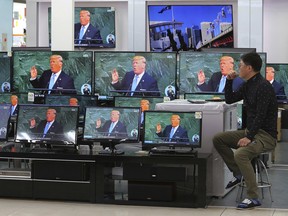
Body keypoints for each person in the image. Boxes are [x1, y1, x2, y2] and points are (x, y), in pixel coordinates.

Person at [213, 52, 277, 209]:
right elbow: (230, 99)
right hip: (252, 131)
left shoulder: (263, 86)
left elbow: (261, 116)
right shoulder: (248, 84)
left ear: (249, 68)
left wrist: (248, 137)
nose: (238, 68)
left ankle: (253, 197)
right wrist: (229, 81)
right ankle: (238, 173)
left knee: (241, 154)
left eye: (240, 65)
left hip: (266, 136)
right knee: (218, 139)